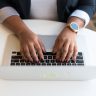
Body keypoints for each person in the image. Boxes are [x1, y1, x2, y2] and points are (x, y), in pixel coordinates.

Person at [0, 0, 95, 63]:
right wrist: (22, 31)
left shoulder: (71, 28)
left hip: (66, 26)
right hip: (19, 24)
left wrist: (71, 29)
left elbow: (88, 4)